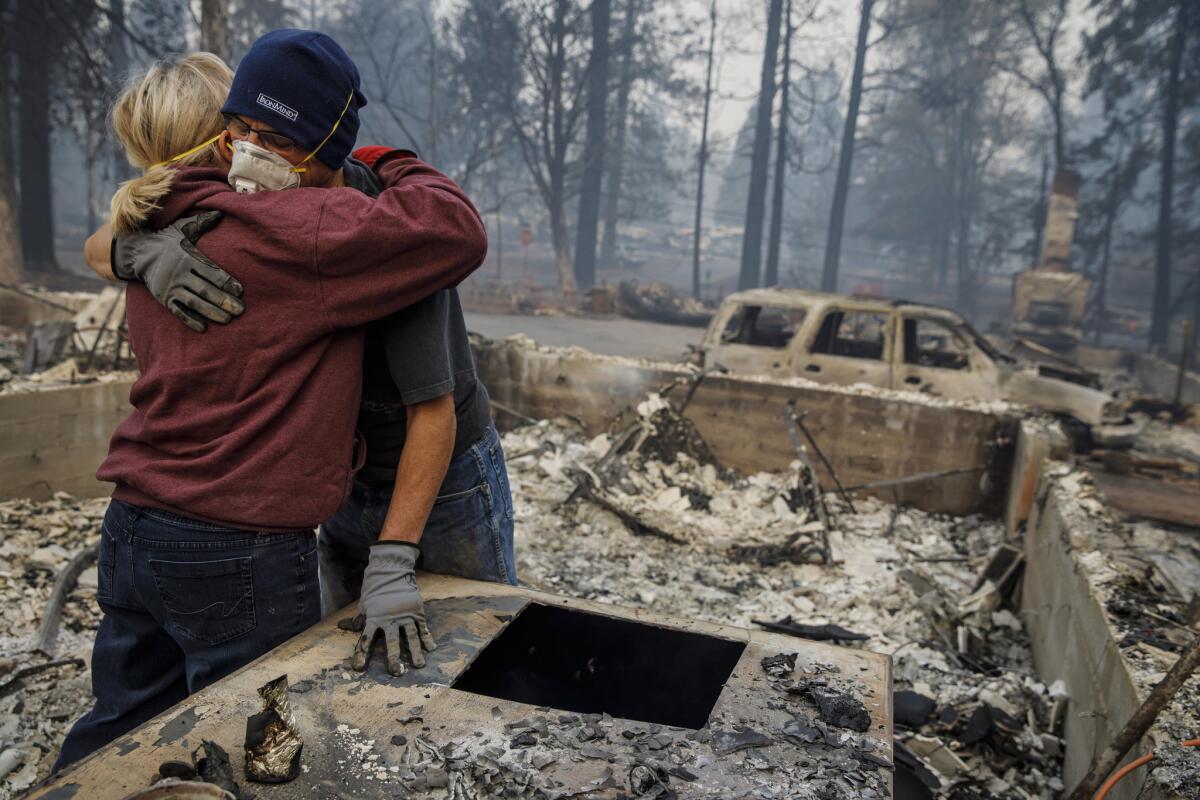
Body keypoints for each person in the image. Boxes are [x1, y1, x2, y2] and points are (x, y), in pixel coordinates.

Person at [56, 35, 486, 770]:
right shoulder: (308, 228)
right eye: (241, 131)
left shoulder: (149, 219)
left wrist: (131, 252)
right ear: (217, 138)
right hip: (240, 544)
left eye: (271, 137)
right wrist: (391, 158)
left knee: (118, 734)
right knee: (262, 751)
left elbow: (104, 242)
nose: (251, 150)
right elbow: (456, 227)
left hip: (131, 527)